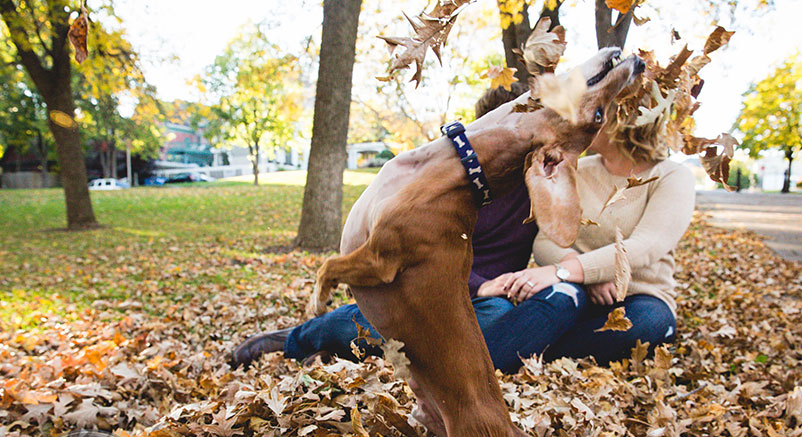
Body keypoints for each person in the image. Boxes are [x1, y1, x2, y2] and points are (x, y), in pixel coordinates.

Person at [230, 82, 570, 368]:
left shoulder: (540, 182)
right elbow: (424, 251)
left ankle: (345, 346)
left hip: (485, 304)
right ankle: (303, 337)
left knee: (494, 320)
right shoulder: (456, 180)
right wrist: (481, 285)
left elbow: (563, 239)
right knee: (403, 320)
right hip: (428, 290)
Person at [480, 98, 696, 372]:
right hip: (575, 290)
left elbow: (645, 247)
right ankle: (475, 367)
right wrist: (576, 274)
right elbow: (548, 238)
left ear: (626, 119)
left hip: (639, 297)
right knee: (558, 298)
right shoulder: (577, 170)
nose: (580, 120)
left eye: (596, 112)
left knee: (651, 323)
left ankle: (528, 355)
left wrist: (568, 270)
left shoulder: (671, 176)